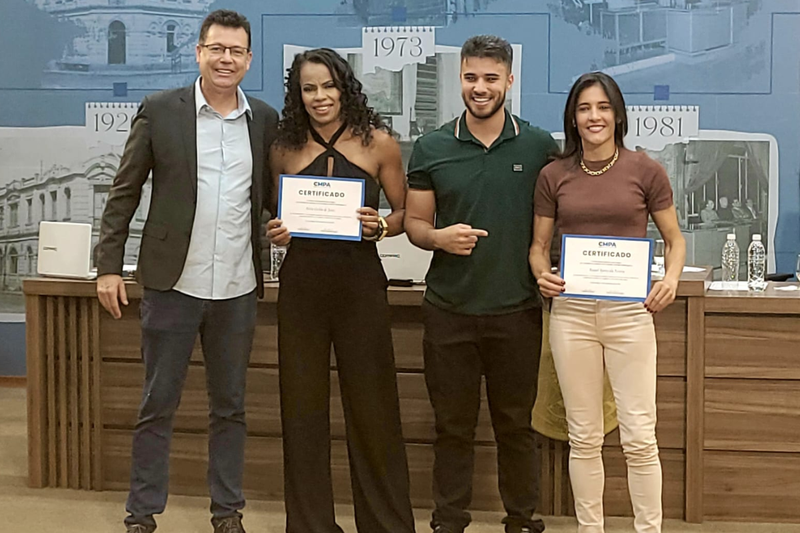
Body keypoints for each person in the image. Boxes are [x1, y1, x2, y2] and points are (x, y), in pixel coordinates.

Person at [94, 10, 278, 533]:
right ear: (198, 52)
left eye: (236, 51)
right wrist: (108, 266)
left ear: (248, 59)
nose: (226, 59)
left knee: (231, 408)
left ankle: (227, 513)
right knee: (157, 404)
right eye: (216, 48)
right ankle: (142, 514)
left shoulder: (263, 119)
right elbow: (124, 191)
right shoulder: (160, 111)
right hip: (172, 284)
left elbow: (265, 199)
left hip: (238, 289)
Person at [405, 35, 557, 533]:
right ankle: (449, 520)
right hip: (449, 310)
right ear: (460, 79)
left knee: (516, 426)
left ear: (509, 81)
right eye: (471, 77)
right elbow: (414, 224)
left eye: (491, 78)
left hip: (516, 310)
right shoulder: (432, 147)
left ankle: (522, 519)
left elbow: (557, 217)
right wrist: (437, 237)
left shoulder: (538, 147)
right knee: (452, 428)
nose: (480, 87)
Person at [265, 48, 415, 533]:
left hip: (359, 286)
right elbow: (275, 214)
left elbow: (406, 213)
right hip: (302, 286)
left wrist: (381, 228)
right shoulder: (283, 148)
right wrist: (276, 230)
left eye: (327, 85)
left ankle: (385, 524)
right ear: (298, 94)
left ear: (344, 87)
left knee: (373, 409)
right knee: (302, 410)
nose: (319, 97)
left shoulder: (379, 144)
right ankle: (309, 524)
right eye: (309, 88)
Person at [530, 72, 685, 533]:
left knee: (639, 437)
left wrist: (671, 279)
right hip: (572, 315)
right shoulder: (553, 174)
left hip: (630, 315)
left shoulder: (645, 170)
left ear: (618, 116)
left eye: (602, 108)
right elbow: (538, 247)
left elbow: (675, 240)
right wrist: (542, 275)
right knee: (584, 438)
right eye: (584, 109)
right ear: (573, 119)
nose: (593, 117)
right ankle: (589, 528)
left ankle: (648, 529)